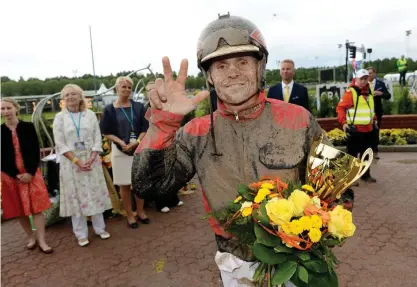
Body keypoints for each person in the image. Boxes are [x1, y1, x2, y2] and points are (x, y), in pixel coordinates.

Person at [132, 14, 352, 286]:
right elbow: (149, 187)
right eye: (221, 65)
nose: (233, 72)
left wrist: (319, 223)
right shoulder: (196, 133)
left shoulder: (299, 119)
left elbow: (339, 188)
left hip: (297, 262)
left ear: (260, 67)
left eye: (243, 62)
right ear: (209, 76)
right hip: (235, 266)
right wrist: (163, 125)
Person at [53, 84, 112, 247]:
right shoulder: (60, 118)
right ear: (63, 99)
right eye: (67, 95)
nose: (70, 97)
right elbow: (60, 143)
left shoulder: (90, 115)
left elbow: (97, 138)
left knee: (95, 193)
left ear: (80, 97)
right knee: (76, 198)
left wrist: (93, 157)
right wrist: (76, 161)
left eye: (73, 94)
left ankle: (100, 228)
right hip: (71, 164)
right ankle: (80, 233)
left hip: (91, 161)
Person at [1, 98, 53, 254]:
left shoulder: (28, 127)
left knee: (37, 208)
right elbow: (1, 157)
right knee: (19, 210)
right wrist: (16, 174)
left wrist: (30, 172)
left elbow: (34, 150)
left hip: (31, 173)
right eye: (2, 109)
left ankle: (42, 240)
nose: (5, 112)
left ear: (16, 108)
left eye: (8, 108)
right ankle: (31, 237)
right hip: (10, 177)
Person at [99, 76, 150, 228]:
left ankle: (140, 212)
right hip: (120, 151)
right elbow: (105, 132)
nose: (127, 90)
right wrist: (120, 142)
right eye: (123, 87)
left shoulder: (140, 107)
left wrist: (137, 142)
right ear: (116, 89)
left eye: (129, 87)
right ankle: (130, 215)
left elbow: (145, 128)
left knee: (140, 182)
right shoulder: (109, 109)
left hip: (138, 149)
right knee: (124, 185)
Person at [336, 69, 377, 183]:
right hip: (355, 130)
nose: (364, 81)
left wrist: (374, 119)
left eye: (365, 79)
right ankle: (350, 178)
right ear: (356, 79)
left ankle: (365, 175)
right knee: (352, 155)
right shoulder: (351, 92)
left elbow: (370, 109)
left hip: (369, 129)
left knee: (366, 155)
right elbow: (340, 108)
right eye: (361, 79)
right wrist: (344, 123)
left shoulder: (369, 92)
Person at [367, 67, 391, 159]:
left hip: (377, 112)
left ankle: (375, 151)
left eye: (370, 73)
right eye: (367, 73)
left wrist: (381, 94)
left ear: (374, 73)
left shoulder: (380, 84)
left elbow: (388, 96)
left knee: (375, 131)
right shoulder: (363, 84)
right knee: (367, 132)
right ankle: (367, 151)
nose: (369, 75)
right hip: (365, 113)